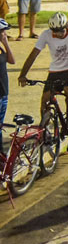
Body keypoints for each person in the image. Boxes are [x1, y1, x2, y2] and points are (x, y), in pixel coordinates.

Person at [18, 12, 68, 125]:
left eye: (61, 31)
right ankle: (45, 127)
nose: (59, 34)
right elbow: (33, 55)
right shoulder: (46, 35)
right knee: (45, 98)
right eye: (55, 32)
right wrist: (23, 75)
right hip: (55, 71)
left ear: (67, 26)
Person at [0, 21, 13, 149]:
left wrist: (6, 43)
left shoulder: (1, 48)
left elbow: (12, 60)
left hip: (4, 93)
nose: (4, 34)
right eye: (3, 31)